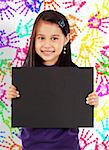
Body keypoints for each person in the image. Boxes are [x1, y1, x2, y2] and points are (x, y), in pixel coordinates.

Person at [6, 10, 99, 150]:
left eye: (54, 38)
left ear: (66, 39)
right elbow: (24, 112)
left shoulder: (75, 76)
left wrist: (92, 102)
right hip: (32, 146)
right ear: (34, 39)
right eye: (41, 38)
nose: (47, 45)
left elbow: (81, 109)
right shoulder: (26, 75)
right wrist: (13, 96)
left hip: (67, 146)